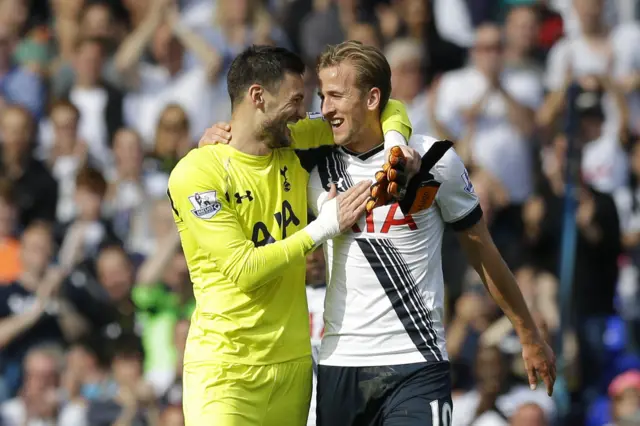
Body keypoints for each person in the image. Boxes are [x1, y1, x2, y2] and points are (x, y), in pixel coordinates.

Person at [206, 40, 556, 426]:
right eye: (323, 96)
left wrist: (528, 334)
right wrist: (217, 136)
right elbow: (252, 137)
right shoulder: (312, 162)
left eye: (337, 96)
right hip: (340, 364)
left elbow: (483, 253)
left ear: (372, 99)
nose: (325, 109)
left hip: (417, 361)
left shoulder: (434, 160)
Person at [167, 44, 413, 426]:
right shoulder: (197, 173)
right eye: (296, 100)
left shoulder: (292, 146)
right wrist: (323, 227)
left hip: (292, 371)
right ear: (258, 97)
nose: (304, 112)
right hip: (225, 372)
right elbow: (243, 268)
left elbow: (381, 107)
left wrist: (396, 144)